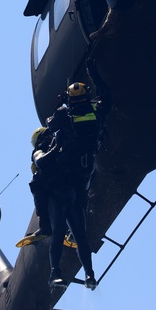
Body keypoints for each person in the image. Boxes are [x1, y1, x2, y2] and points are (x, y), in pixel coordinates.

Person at [33, 60, 112, 290]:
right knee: (78, 234)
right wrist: (94, 72)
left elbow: (51, 125)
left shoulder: (64, 117)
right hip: (79, 182)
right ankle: (87, 275)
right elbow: (107, 97)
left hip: (69, 184)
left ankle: (62, 272)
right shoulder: (95, 111)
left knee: (64, 231)